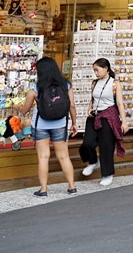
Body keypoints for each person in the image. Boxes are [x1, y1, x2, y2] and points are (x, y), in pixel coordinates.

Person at [17, 57, 77, 197]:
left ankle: (43, 189)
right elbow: (72, 106)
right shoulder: (66, 85)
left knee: (43, 157)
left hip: (40, 125)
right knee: (64, 156)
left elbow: (24, 110)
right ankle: (71, 187)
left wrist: (18, 107)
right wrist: (74, 123)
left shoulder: (36, 88)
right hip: (61, 124)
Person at [80, 57, 129, 186]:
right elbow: (93, 99)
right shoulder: (94, 83)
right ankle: (92, 161)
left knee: (106, 146)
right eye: (94, 70)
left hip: (109, 117)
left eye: (97, 70)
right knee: (87, 143)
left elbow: (119, 103)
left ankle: (107, 174)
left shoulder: (115, 83)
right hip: (94, 116)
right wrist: (89, 108)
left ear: (106, 68)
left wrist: (124, 122)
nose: (96, 73)